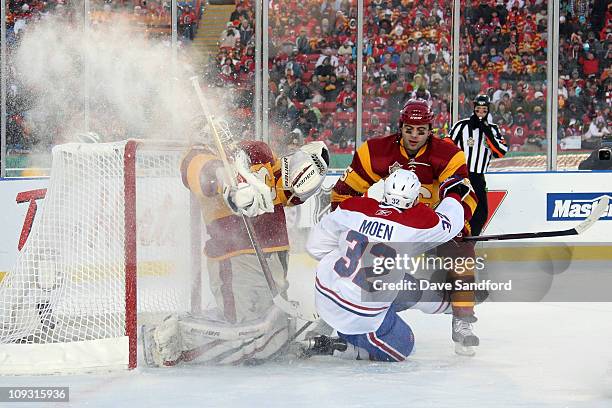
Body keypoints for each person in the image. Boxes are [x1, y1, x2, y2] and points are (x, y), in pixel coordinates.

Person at [143, 137, 330, 366]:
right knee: (248, 333)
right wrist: (227, 184)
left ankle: (192, 334)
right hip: (235, 259)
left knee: (273, 329)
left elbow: (281, 191)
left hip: (276, 254)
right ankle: (176, 340)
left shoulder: (257, 149)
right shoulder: (196, 155)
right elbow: (201, 176)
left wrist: (301, 173)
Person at [331, 99, 481, 355]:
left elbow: (462, 194)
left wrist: (457, 228)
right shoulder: (376, 151)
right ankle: (332, 317)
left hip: (432, 224)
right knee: (357, 260)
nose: (414, 135)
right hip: (394, 222)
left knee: (462, 256)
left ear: (430, 130)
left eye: (421, 130)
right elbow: (346, 191)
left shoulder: (447, 153)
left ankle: (462, 321)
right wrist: (349, 224)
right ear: (400, 126)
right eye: (409, 129)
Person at [304, 169, 471, 361]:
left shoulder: (352, 207)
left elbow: (314, 247)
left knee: (402, 283)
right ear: (415, 197)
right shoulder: (418, 223)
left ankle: (446, 306)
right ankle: (343, 347)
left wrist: (348, 266)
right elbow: (451, 223)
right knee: (404, 346)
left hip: (324, 292)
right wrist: (454, 195)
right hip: (358, 314)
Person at [449, 94, 508, 236]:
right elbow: (447, 146)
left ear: (488, 110)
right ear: (473, 109)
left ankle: (471, 241)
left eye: (484, 110)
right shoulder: (461, 126)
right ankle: (454, 239)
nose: (481, 113)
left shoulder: (493, 129)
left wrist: (487, 133)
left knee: (481, 214)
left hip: (478, 177)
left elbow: (500, 152)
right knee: (458, 209)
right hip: (460, 176)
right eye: (478, 109)